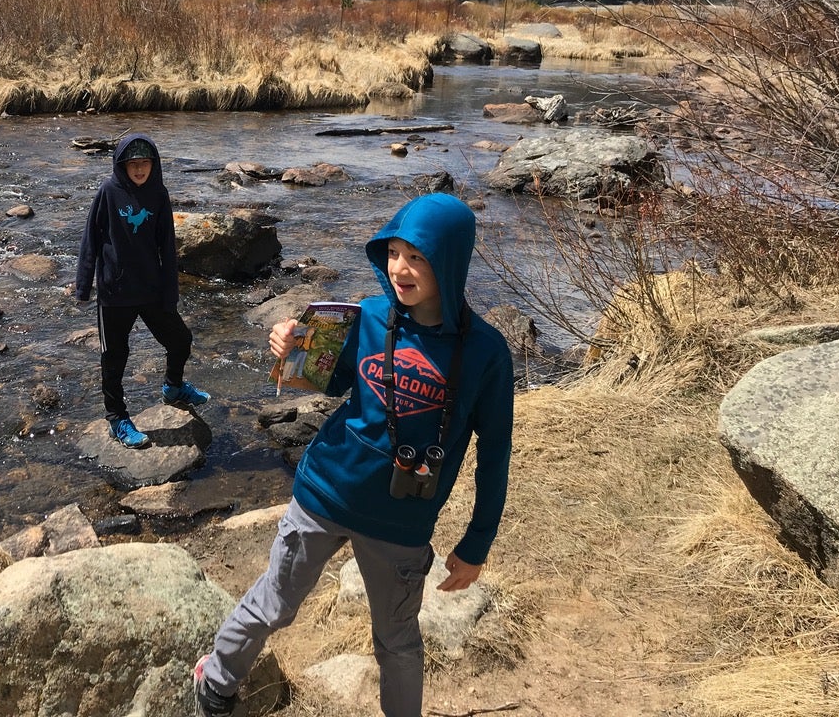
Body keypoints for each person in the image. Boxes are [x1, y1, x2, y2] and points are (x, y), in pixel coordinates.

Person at [193, 192, 514, 717]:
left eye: (418, 257)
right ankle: (218, 679)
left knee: (398, 642)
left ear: (450, 262)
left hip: (401, 523)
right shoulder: (365, 316)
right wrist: (290, 345)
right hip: (324, 493)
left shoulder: (486, 353)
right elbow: (323, 377)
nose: (400, 269)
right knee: (275, 602)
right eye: (394, 252)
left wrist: (477, 542)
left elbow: (495, 451)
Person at [75, 132, 211, 449]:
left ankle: (173, 387)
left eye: (144, 163)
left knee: (180, 339)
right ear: (122, 165)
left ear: (154, 164)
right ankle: (117, 418)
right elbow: (90, 239)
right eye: (133, 164)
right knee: (114, 358)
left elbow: (167, 246)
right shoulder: (108, 192)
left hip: (150, 289)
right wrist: (84, 284)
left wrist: (170, 292)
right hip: (115, 292)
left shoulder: (159, 194)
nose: (139, 170)